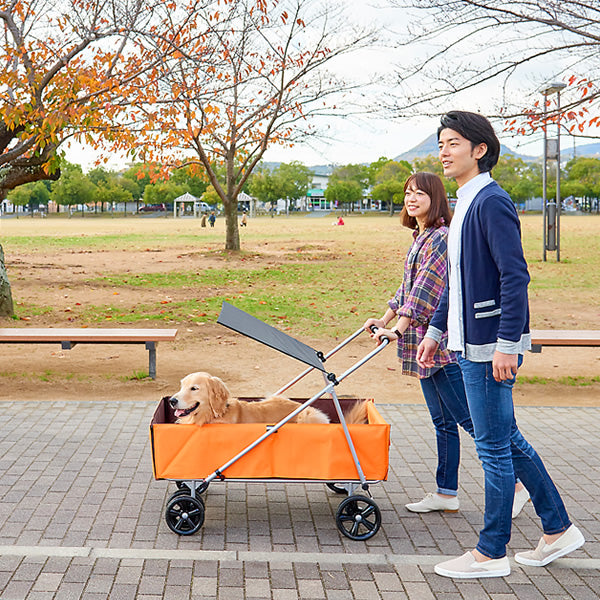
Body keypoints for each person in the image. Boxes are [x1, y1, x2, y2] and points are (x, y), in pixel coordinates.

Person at [417, 111, 584, 579]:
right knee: (506, 439)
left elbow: (515, 277)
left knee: (492, 447)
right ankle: (557, 529)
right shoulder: (465, 201)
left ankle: (491, 552)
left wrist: (508, 344)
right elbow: (456, 280)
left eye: (454, 142)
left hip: (490, 345)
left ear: (480, 150)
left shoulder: (491, 201)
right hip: (464, 342)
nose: (444, 151)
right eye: (441, 142)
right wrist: (433, 333)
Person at [364, 172, 528, 517]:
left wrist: (399, 328)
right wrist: (384, 319)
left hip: (441, 346)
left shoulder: (440, 237)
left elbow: (427, 291)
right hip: (425, 345)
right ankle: (445, 491)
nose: (412, 199)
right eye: (408, 192)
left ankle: (515, 485)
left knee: (474, 422)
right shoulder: (419, 236)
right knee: (442, 422)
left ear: (435, 198)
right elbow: (405, 290)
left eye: (419, 193)